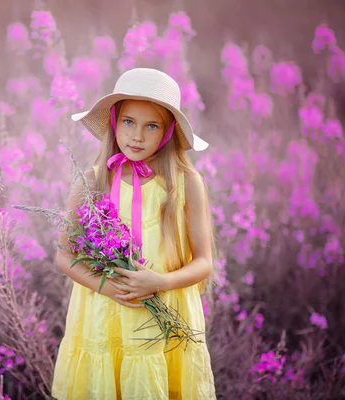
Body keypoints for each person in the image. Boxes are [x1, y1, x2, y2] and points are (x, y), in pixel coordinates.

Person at [51, 68, 216, 399]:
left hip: (163, 320)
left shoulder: (185, 183)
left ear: (168, 132)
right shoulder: (94, 180)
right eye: (128, 122)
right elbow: (64, 255)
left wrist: (161, 282)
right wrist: (108, 287)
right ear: (114, 122)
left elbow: (204, 263)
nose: (136, 136)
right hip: (104, 318)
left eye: (151, 125)